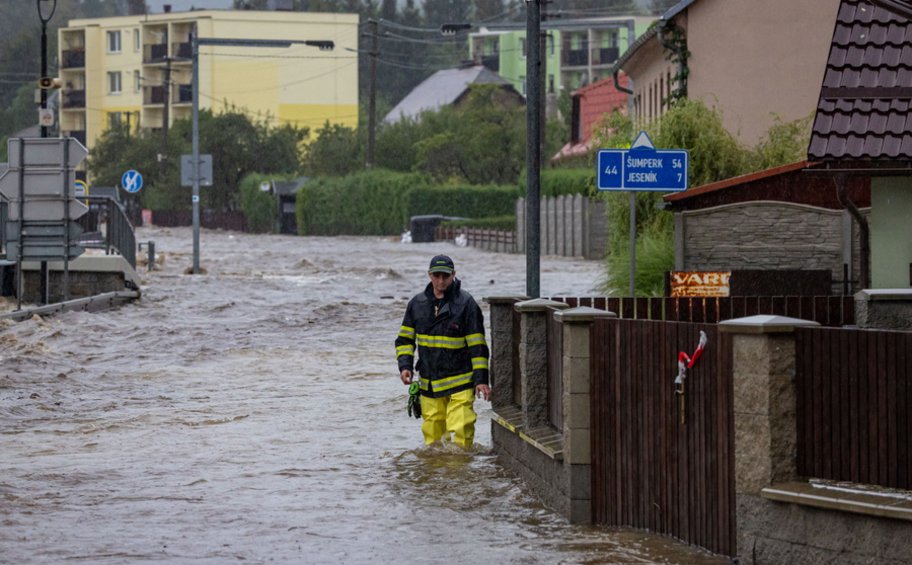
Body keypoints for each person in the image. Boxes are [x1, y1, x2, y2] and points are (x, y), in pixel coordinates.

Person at [395, 254, 491, 448]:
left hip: (461, 380)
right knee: (434, 436)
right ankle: (437, 470)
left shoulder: (466, 304)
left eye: (445, 276)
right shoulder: (417, 304)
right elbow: (405, 339)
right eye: (437, 275)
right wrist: (405, 366)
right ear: (429, 275)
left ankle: (461, 470)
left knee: (462, 426)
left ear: (453, 275)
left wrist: (481, 380)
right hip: (430, 381)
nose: (441, 281)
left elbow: (478, 345)